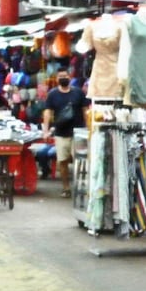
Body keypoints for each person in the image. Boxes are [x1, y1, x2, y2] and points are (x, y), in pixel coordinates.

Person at [42, 68, 88, 198]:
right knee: (62, 162)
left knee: (80, 161)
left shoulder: (78, 93)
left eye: (65, 76)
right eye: (60, 76)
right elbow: (47, 113)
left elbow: (85, 110)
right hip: (61, 133)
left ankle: (80, 187)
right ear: (57, 79)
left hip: (78, 132)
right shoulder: (52, 94)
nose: (63, 78)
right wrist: (45, 131)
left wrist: (88, 128)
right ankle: (66, 187)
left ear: (70, 77)